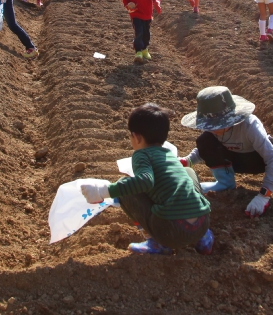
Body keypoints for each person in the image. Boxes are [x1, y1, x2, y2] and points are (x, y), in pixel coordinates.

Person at [79, 103, 213, 255]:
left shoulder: (141, 155)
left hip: (171, 233)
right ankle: (203, 238)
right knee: (188, 171)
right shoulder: (169, 154)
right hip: (201, 225)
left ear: (137, 137)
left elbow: (145, 181)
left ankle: (157, 243)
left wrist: (103, 191)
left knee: (125, 187)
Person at [180, 86, 273, 215]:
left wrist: (264, 195)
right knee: (204, 139)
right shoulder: (212, 130)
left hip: (257, 160)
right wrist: (187, 161)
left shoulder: (250, 126)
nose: (213, 129)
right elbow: (205, 148)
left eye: (217, 124)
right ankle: (225, 183)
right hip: (232, 162)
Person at [123, 0, 163, 64]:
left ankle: (145, 49)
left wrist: (157, 3)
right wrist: (128, 5)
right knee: (139, 31)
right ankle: (138, 52)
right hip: (135, 14)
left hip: (147, 14)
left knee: (146, 33)